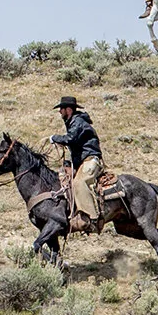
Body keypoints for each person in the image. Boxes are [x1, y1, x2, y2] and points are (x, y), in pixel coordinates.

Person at [48, 97, 105, 233]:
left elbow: (70, 139)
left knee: (80, 183)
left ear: (68, 110)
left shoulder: (77, 121)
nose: (60, 112)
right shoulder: (74, 122)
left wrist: (54, 138)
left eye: (61, 109)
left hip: (90, 159)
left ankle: (92, 219)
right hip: (83, 160)